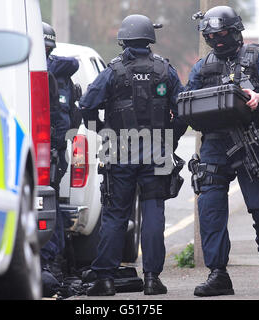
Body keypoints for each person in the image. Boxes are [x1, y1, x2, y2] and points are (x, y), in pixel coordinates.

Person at [184, 6, 259, 297]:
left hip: (251, 142)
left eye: (222, 34)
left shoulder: (257, 57)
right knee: (210, 209)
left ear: (235, 32)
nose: (217, 40)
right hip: (214, 146)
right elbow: (184, 104)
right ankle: (218, 274)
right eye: (211, 35)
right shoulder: (202, 66)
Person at [79, 14, 187, 296]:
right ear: (149, 38)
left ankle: (105, 280)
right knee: (153, 216)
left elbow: (87, 106)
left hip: (119, 153)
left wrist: (103, 132)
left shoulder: (112, 71)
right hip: (157, 155)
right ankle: (152, 279)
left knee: (115, 216)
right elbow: (185, 109)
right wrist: (170, 139)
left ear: (124, 39)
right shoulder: (166, 71)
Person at [40, 22, 82, 294]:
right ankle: (53, 266)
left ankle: (50, 266)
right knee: (49, 204)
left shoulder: (45, 72)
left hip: (49, 152)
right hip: (56, 150)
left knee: (45, 206)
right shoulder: (60, 72)